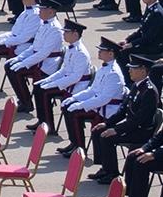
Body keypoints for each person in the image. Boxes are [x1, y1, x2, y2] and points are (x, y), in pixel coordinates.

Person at [93, 55, 157, 184]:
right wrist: (106, 123)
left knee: (108, 137)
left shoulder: (149, 91)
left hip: (141, 132)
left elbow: (139, 120)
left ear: (143, 70)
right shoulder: (136, 86)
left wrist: (116, 130)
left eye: (133, 68)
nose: (129, 71)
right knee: (99, 131)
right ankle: (106, 168)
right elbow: (122, 111)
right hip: (131, 127)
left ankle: (112, 174)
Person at [62, 36, 126, 158]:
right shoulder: (104, 68)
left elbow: (104, 99)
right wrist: (75, 98)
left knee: (75, 113)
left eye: (102, 50)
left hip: (107, 110)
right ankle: (74, 143)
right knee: (68, 107)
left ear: (111, 54)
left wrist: (81, 105)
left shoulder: (114, 74)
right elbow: (93, 90)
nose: (99, 52)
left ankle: (80, 149)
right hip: (99, 105)